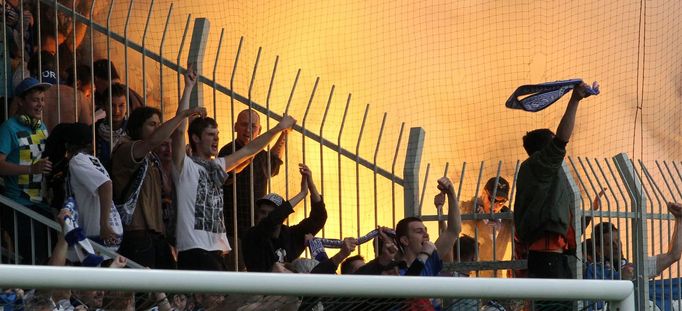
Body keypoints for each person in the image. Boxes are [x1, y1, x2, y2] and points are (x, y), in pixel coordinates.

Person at [171, 64, 296, 271]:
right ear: (195, 138)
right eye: (211, 135)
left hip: (217, 249)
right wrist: (188, 90)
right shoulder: (184, 166)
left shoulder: (217, 165)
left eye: (217, 136)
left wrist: (279, 129)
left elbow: (249, 151)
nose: (216, 140)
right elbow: (178, 132)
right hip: (193, 248)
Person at [512, 81, 596, 310]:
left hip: (550, 258)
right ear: (544, 149)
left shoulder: (534, 171)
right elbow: (562, 139)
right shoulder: (540, 165)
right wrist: (575, 99)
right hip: (549, 259)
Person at [111, 102, 205, 269]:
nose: (157, 129)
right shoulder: (126, 149)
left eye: (159, 125)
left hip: (156, 235)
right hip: (137, 233)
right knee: (146, 292)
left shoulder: (152, 159)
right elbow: (153, 140)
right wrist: (183, 115)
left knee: (169, 289)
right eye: (152, 124)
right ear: (138, 127)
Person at [219, 108, 287, 271]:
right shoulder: (229, 152)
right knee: (236, 275)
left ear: (260, 130)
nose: (248, 130)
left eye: (253, 126)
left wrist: (284, 133)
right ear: (235, 127)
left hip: (256, 229)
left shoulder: (261, 155)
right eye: (243, 125)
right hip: (232, 230)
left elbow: (274, 162)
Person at [584, 202, 682, 311]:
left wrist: (679, 220)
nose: (616, 246)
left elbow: (674, 255)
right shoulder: (594, 270)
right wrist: (620, 279)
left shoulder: (633, 266)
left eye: (617, 241)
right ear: (598, 249)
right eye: (609, 244)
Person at [0, 77, 53, 264]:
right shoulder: (8, 128)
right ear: (21, 101)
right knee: (32, 259)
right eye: (34, 100)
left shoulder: (42, 126)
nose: (40, 104)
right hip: (19, 206)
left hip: (41, 204)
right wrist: (31, 169)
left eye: (42, 99)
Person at [242, 163, 328, 272]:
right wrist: (302, 194)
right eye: (263, 212)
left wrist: (310, 185)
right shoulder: (252, 235)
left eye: (271, 212)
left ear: (283, 216)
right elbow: (271, 221)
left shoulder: (290, 235)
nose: (266, 217)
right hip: (261, 287)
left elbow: (319, 217)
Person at [457, 177, 512, 277]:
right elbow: (457, 215)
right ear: (483, 193)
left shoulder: (508, 220)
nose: (496, 205)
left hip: (495, 278)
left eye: (501, 201)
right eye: (492, 199)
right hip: (471, 275)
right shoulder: (469, 209)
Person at [95, 83, 129, 169]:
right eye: (112, 105)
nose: (117, 111)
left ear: (127, 106)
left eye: (121, 106)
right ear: (103, 106)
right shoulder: (94, 130)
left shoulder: (133, 130)